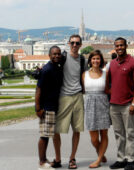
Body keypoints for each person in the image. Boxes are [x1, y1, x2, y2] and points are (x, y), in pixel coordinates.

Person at [108, 37, 134, 170]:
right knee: (118, 133)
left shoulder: (133, 63)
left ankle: (131, 160)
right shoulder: (112, 64)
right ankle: (121, 158)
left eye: (121, 45)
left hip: (128, 104)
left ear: (126, 46)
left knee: (130, 133)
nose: (119, 48)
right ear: (115, 47)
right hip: (114, 104)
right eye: (117, 46)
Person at [53, 34, 85, 169]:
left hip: (77, 96)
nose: (74, 45)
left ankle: (72, 158)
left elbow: (85, 75)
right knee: (56, 130)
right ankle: (58, 158)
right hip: (64, 97)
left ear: (80, 45)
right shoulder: (63, 57)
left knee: (76, 129)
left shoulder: (82, 59)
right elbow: (51, 65)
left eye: (77, 43)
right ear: (68, 43)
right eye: (72, 43)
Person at [35, 46, 64, 170]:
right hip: (47, 107)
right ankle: (42, 161)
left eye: (58, 54)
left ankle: (44, 159)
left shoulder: (56, 67)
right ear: (49, 55)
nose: (57, 56)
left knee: (47, 133)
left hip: (54, 106)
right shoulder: (46, 70)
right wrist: (38, 108)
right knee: (44, 135)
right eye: (54, 54)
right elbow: (38, 89)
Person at [82, 50, 111, 168]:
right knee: (94, 138)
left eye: (98, 58)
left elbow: (108, 89)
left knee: (103, 133)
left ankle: (98, 159)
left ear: (101, 61)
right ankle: (101, 153)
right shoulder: (84, 74)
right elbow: (83, 90)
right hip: (89, 104)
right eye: (93, 59)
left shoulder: (105, 74)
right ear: (90, 61)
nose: (95, 61)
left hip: (103, 103)